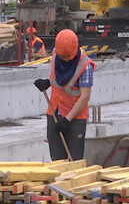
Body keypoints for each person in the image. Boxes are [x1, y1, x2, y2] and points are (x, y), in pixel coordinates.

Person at [33, 29, 96, 161]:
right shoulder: (56, 55)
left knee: (75, 160)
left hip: (75, 117)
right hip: (55, 112)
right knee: (57, 159)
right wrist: (47, 82)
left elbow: (85, 97)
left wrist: (67, 119)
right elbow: (57, 79)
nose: (65, 59)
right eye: (63, 56)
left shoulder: (84, 66)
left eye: (67, 56)